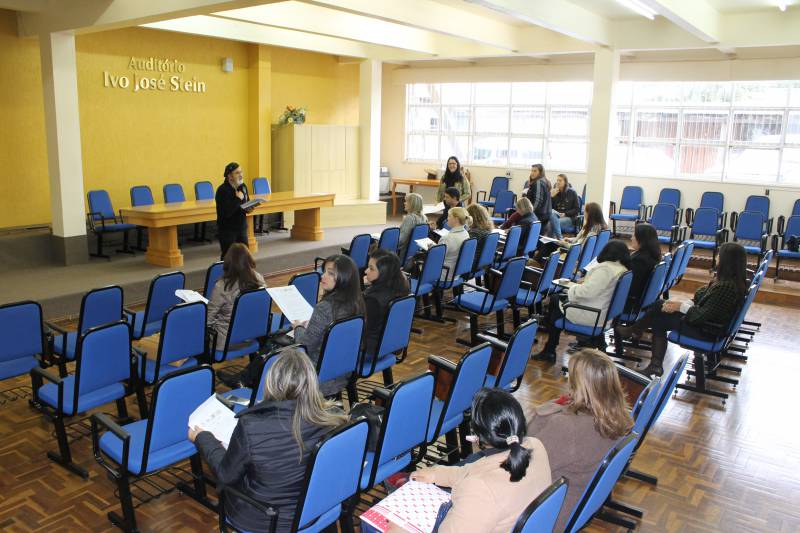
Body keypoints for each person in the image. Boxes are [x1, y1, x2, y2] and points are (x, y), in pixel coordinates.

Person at [190, 348, 348, 533]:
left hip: (265, 520)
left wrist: (202, 437)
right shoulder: (335, 418)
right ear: (312, 382)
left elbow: (226, 474)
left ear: (271, 382)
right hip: (317, 510)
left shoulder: (250, 426)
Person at [389, 388, 551, 533]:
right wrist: (437, 474)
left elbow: (480, 485)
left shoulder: (479, 490)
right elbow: (477, 471)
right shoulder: (536, 446)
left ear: (477, 436)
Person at [526, 349, 634, 532]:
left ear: (578, 385)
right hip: (575, 503)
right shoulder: (619, 417)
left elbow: (525, 464)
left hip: (546, 515)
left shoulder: (567, 427)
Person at [618, 242, 747, 377]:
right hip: (708, 325)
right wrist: (680, 304)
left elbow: (700, 316)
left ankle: (643, 345)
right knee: (661, 305)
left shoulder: (725, 287)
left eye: (720, 255)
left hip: (708, 331)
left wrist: (680, 306)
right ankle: (637, 335)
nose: (717, 257)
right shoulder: (728, 281)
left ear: (727, 260)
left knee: (659, 317)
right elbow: (701, 297)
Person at [533, 240, 631, 362]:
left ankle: (549, 347)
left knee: (555, 299)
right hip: (604, 314)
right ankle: (550, 343)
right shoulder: (623, 269)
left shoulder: (605, 269)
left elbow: (586, 293)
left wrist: (573, 287)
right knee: (556, 303)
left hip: (593, 314)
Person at [292, 254, 365, 395]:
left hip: (316, 376)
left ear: (345, 277)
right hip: (342, 373)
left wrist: (298, 328)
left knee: (274, 353)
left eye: (330, 273)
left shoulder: (325, 307)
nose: (323, 276)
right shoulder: (358, 302)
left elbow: (304, 347)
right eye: (324, 271)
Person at [612, 223, 661, 358]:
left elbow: (629, 287)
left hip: (628, 304)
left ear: (642, 239)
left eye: (634, 235)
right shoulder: (649, 256)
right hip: (639, 303)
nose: (631, 237)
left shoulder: (640, 260)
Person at [207, 243, 266, 350]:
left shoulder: (222, 286)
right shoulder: (259, 279)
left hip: (226, 342)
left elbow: (208, 320)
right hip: (252, 337)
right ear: (249, 259)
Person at [363, 249, 410, 367]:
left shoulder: (373, 299)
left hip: (370, 351)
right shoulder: (403, 289)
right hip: (390, 346)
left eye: (371, 268)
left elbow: (361, 329)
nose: (366, 271)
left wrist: (365, 291)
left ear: (384, 272)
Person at [215, 162, 254, 260]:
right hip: (228, 230)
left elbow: (245, 202)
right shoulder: (222, 190)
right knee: (228, 257)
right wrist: (237, 199)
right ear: (229, 176)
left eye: (241, 172)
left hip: (241, 228)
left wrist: (249, 208)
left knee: (245, 256)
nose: (241, 175)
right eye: (237, 173)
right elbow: (227, 212)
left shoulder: (243, 187)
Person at [439, 207, 471, 282]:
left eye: (449, 216)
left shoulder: (447, 238)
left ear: (456, 219)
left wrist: (432, 249)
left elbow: (437, 259)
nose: (447, 218)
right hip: (456, 273)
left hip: (444, 274)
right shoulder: (466, 233)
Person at [397, 192, 428, 262]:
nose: (404, 203)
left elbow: (401, 241)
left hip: (402, 255)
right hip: (413, 254)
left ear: (412, 204)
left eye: (406, 201)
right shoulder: (424, 218)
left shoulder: (409, 218)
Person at [549, 174, 580, 238]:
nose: (558, 182)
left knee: (552, 224)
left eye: (560, 180)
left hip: (569, 218)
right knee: (551, 214)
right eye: (557, 180)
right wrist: (551, 197)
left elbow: (577, 209)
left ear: (565, 182)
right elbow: (549, 208)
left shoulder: (572, 192)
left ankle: (559, 240)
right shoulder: (555, 192)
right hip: (557, 216)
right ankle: (557, 242)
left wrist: (565, 214)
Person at [466, 203, 495, 271]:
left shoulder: (475, 233)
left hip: (472, 264)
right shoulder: (486, 229)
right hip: (482, 263)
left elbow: (465, 249)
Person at [525, 163, 552, 234]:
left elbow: (538, 200)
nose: (532, 173)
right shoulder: (545, 180)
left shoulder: (539, 182)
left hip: (539, 215)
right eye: (532, 171)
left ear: (540, 172)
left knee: (533, 236)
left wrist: (530, 212)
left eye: (535, 171)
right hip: (545, 214)